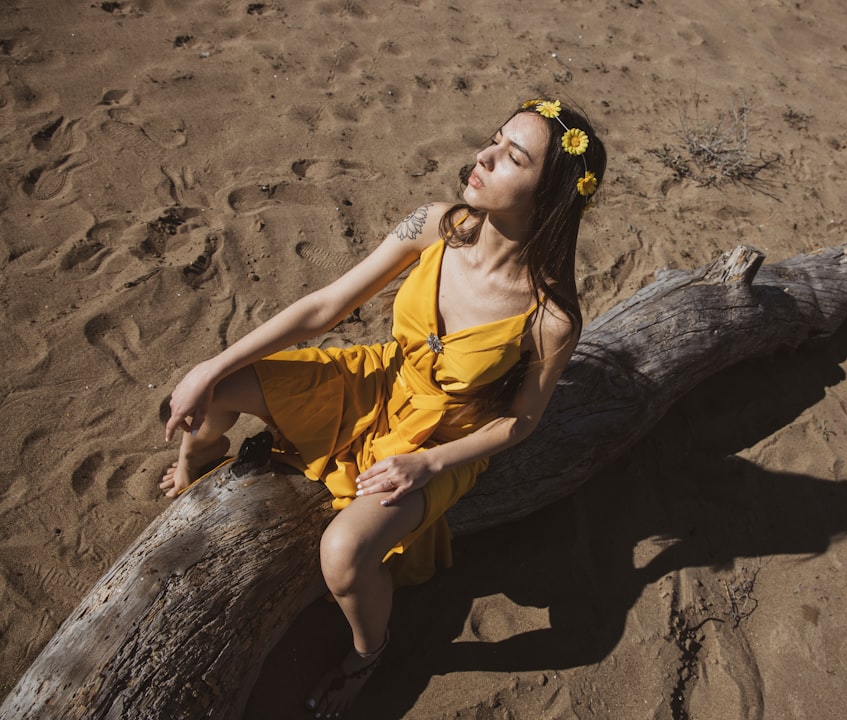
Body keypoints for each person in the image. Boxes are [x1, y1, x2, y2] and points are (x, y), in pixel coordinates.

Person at [160, 97, 606, 717]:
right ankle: (193, 473)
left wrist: (432, 466)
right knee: (214, 396)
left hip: (439, 437)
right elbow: (325, 306)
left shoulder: (551, 316)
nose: (482, 156)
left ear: (549, 194)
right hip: (377, 379)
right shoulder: (436, 224)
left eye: (511, 157)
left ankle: (369, 652)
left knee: (343, 557)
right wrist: (213, 367)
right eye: (493, 139)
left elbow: (520, 421)